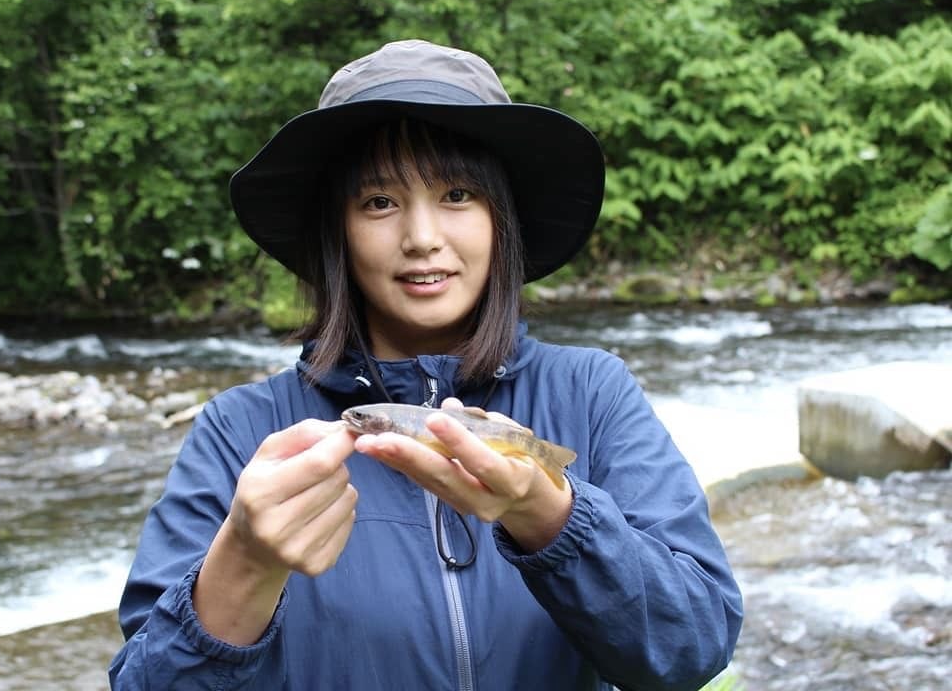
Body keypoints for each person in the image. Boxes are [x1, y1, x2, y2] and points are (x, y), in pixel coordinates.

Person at [109, 39, 742, 690]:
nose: (422, 237)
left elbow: (693, 646)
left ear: (503, 220)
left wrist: (549, 514)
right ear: (338, 232)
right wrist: (244, 559)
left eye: (458, 194)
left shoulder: (590, 392)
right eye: (378, 202)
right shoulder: (243, 432)